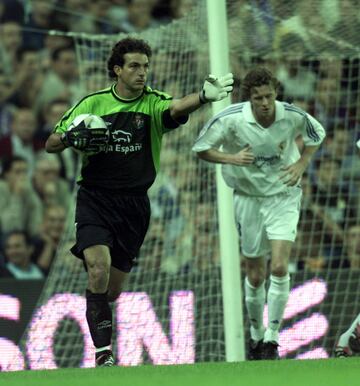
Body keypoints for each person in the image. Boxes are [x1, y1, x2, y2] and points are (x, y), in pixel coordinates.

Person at [45, 36, 233, 367]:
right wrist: (70, 137)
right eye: (134, 66)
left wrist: (203, 97)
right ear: (117, 70)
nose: (142, 73)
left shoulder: (152, 103)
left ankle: (98, 313)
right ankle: (103, 354)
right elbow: (51, 143)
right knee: (98, 268)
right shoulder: (93, 104)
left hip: (134, 206)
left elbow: (175, 107)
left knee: (112, 290)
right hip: (95, 198)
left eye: (145, 66)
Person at [192, 66, 325, 360]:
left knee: (278, 267)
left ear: (275, 93)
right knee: (255, 273)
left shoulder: (291, 114)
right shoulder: (230, 120)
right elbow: (201, 148)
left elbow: (317, 134)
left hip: (283, 195)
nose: (265, 103)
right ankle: (255, 334)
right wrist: (231, 157)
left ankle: (272, 339)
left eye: (268, 96)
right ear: (248, 98)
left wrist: (301, 164)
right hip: (248, 199)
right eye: (258, 98)